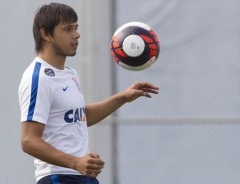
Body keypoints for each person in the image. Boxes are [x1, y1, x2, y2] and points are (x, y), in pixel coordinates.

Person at [18, 3, 159, 184]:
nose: (76, 34)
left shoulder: (70, 74)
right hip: (58, 177)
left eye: (76, 28)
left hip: (82, 177)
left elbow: (79, 117)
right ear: (45, 34)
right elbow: (29, 140)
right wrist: (76, 162)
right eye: (67, 29)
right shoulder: (38, 78)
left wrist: (122, 97)